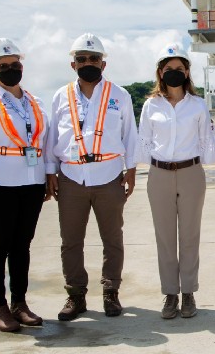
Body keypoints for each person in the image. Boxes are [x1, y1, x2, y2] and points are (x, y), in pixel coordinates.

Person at [45, 33, 138, 321]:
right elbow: (52, 138)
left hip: (109, 175)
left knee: (112, 238)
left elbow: (130, 136)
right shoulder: (61, 96)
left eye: (94, 59)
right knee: (71, 240)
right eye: (82, 59)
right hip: (71, 176)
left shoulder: (119, 95)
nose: (89, 63)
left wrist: (131, 170)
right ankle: (75, 295)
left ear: (104, 63)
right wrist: (51, 172)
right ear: (73, 64)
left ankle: (111, 292)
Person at [0, 38, 48, 332]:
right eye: (4, 66)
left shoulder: (35, 103)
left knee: (21, 245)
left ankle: (20, 303)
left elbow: (44, 142)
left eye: (15, 65)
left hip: (30, 183)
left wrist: (47, 176)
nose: (11, 69)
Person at [137, 43, 215, 319]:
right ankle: (170, 293)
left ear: (187, 72)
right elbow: (144, 140)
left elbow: (206, 139)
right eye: (168, 69)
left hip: (191, 173)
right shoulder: (150, 105)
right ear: (160, 72)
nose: (174, 73)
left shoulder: (197, 104)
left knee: (190, 234)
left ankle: (189, 293)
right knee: (165, 236)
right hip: (159, 174)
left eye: (179, 69)